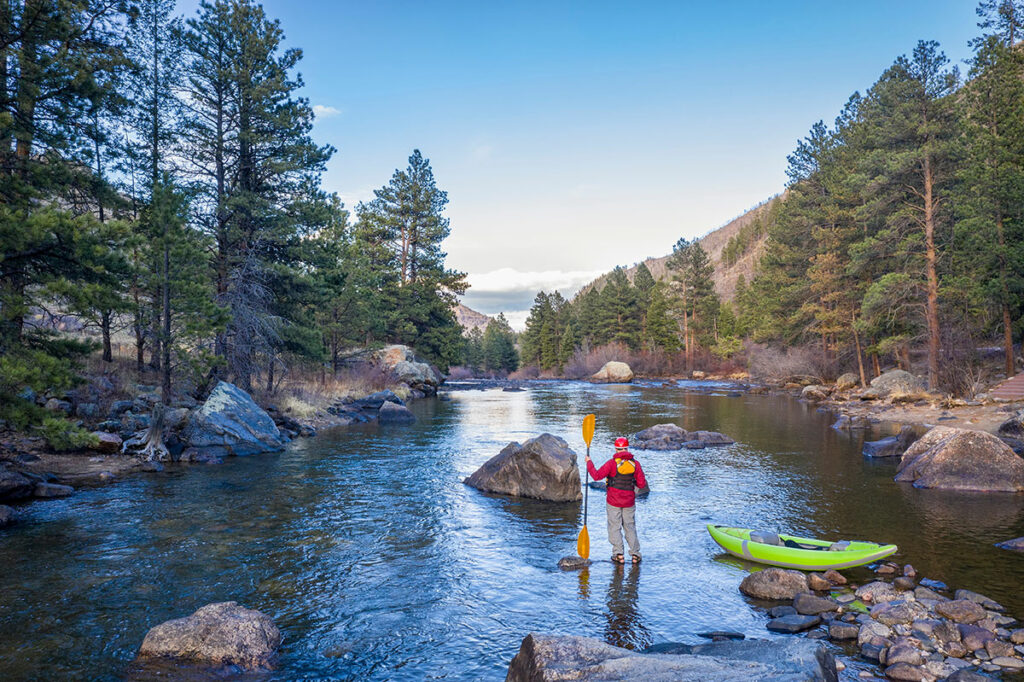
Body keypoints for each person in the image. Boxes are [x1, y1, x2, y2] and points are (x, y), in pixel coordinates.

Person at [585, 437, 646, 564]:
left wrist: (589, 463)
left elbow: (596, 476)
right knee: (630, 527)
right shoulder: (636, 464)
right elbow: (641, 485)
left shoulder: (612, 463)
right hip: (629, 502)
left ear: (616, 448)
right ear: (627, 448)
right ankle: (635, 555)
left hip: (613, 501)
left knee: (614, 527)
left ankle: (618, 555)